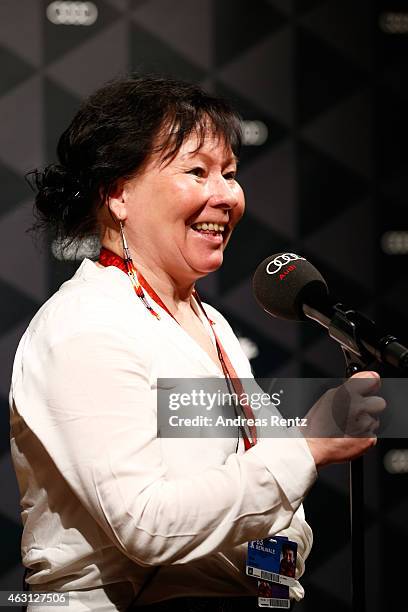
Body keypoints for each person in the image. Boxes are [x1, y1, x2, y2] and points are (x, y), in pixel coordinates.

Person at [9, 74, 384, 612]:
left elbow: (279, 517)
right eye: (197, 171)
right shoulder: (86, 325)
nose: (226, 195)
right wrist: (309, 446)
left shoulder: (209, 323)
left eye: (230, 173)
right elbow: (147, 524)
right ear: (118, 193)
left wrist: (268, 582)